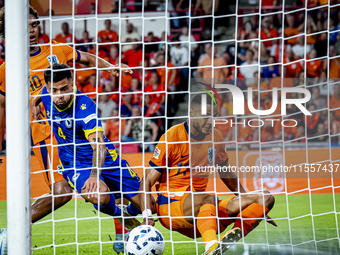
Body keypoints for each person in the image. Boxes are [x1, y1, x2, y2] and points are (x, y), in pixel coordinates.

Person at [0, 6, 132, 253]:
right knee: (61, 191)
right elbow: (2, 106)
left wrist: (110, 66)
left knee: (109, 174)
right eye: (24, 26)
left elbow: (87, 58)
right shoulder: (9, 68)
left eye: (33, 24)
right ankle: (10, 234)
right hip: (47, 137)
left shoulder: (56, 50)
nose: (30, 30)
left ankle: (123, 232)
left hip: (78, 129)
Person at [31, 64, 154, 246]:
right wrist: (34, 103)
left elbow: (99, 147)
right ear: (49, 88)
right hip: (75, 163)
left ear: (73, 83)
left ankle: (129, 213)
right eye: (54, 90)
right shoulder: (48, 94)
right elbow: (41, 93)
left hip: (107, 159)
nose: (60, 95)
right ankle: (124, 219)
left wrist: (95, 175)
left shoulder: (86, 108)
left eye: (64, 89)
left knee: (148, 202)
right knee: (101, 195)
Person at [139, 94, 276, 255]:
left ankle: (225, 240)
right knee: (208, 198)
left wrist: (247, 204)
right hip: (171, 208)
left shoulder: (216, 136)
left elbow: (225, 172)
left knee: (265, 197)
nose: (211, 122)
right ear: (191, 113)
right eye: (205, 117)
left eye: (214, 117)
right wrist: (147, 215)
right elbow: (146, 180)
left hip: (205, 213)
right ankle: (211, 247)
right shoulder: (172, 137)